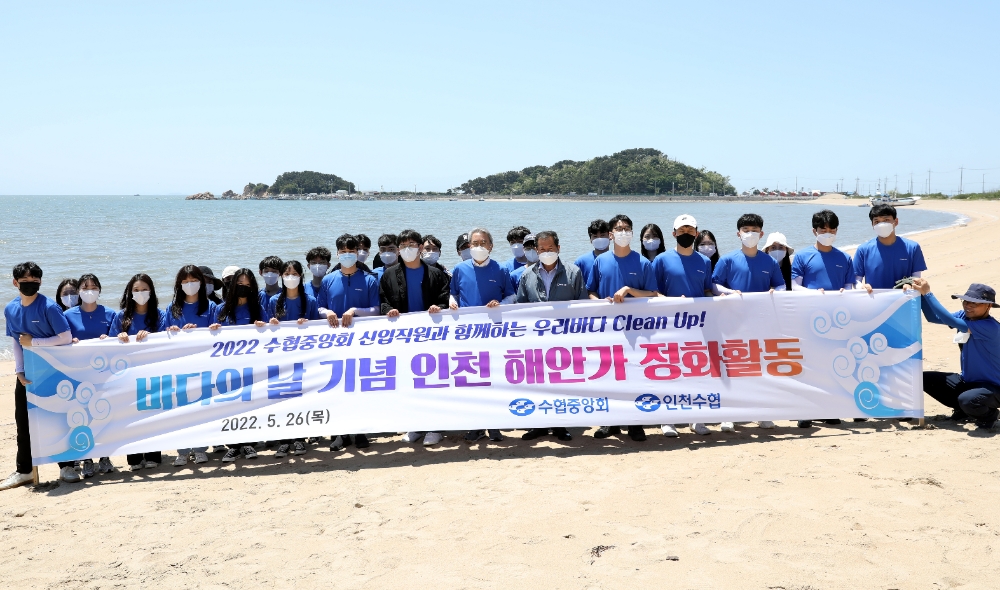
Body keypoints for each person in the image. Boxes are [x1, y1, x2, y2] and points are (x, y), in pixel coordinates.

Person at [1, 262, 74, 490]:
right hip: (27, 373)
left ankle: (67, 466)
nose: (30, 284)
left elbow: (65, 337)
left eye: (35, 281)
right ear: (15, 283)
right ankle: (24, 471)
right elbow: (16, 341)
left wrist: (35, 342)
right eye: (25, 281)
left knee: (58, 419)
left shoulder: (49, 307)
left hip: (53, 371)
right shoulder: (10, 309)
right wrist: (19, 370)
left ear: (40, 282)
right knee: (23, 423)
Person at [711, 213, 785, 432]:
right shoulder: (727, 260)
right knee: (732, 368)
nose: (750, 234)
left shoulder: (769, 261)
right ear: (738, 233)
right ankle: (729, 415)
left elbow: (781, 285)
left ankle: (761, 413)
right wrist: (729, 292)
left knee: (759, 369)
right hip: (732, 323)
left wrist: (775, 292)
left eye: (754, 230)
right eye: (746, 230)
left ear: (761, 234)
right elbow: (714, 285)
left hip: (760, 323)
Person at [588, 214, 658, 442]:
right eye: (619, 229)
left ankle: (636, 423)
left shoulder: (643, 262)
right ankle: (611, 422)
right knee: (609, 372)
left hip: (636, 329)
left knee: (635, 372)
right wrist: (600, 302)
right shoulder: (600, 261)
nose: (623, 232)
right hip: (608, 328)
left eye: (627, 228)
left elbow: (653, 293)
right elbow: (591, 291)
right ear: (611, 234)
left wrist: (629, 290)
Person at [380, 229, 451, 447]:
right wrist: (389, 311)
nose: (407, 249)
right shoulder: (389, 275)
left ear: (420, 248)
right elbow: (383, 301)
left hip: (432, 336)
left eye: (411, 245)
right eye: (403, 246)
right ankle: (415, 425)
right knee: (409, 381)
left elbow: (445, 299)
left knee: (432, 381)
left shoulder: (436, 274)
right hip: (404, 338)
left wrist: (438, 307)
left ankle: (434, 427)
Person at [516, 230, 587, 442]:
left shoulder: (573, 272)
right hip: (536, 340)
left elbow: (582, 305)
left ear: (558, 248)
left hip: (564, 340)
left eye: (550, 248)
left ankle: (559, 425)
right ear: (536, 251)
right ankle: (539, 425)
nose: (546, 252)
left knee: (560, 382)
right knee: (537, 382)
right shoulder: (527, 275)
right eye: (542, 249)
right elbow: (520, 308)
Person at [449, 227, 515, 442]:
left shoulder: (501, 269)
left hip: (494, 332)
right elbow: (453, 293)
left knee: (494, 379)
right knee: (472, 380)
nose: (479, 247)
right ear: (469, 246)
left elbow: (511, 296)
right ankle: (476, 426)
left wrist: (500, 303)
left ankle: (494, 425)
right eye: (475, 243)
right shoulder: (459, 269)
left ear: (491, 246)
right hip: (468, 333)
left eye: (483, 243)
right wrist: (452, 303)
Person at [790, 210, 855, 428]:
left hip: (836, 320)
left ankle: (830, 409)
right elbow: (795, 286)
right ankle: (806, 410)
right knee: (808, 365)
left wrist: (844, 293)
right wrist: (813, 294)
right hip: (808, 317)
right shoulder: (802, 256)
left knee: (832, 364)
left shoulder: (844, 258)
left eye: (831, 229)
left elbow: (849, 286)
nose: (828, 233)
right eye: (823, 229)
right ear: (814, 231)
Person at [651, 214, 714, 438]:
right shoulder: (661, 260)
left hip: (697, 326)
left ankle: (697, 419)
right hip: (669, 325)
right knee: (669, 370)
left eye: (689, 231)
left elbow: (707, 290)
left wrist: (724, 300)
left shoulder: (704, 262)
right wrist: (670, 302)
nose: (685, 234)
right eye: (681, 231)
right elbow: (653, 291)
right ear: (674, 233)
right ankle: (667, 420)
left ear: (696, 233)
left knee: (696, 371)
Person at [317, 234, 381, 451]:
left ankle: (360, 430)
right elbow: (319, 307)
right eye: (343, 252)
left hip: (361, 342)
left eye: (351, 252)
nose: (347, 255)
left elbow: (376, 310)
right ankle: (339, 433)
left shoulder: (369, 280)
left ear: (357, 253)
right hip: (335, 342)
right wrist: (327, 312)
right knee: (336, 386)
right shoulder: (328, 280)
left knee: (359, 385)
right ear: (337, 254)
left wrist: (355, 311)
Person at [916, 279, 1000, 429]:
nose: (968, 305)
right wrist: (920, 296)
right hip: (968, 382)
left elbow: (949, 319)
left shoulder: (990, 327)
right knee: (922, 379)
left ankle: (989, 416)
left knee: (968, 400)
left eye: (974, 303)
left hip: (993, 387)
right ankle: (965, 410)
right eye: (966, 301)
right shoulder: (964, 316)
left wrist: (928, 293)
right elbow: (934, 317)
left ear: (988, 306)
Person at [110, 273, 170, 471]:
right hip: (128, 374)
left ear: (151, 291)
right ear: (130, 292)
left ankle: (153, 454)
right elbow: (109, 343)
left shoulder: (160, 315)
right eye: (136, 290)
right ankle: (134, 457)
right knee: (131, 414)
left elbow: (166, 340)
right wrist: (119, 337)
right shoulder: (121, 316)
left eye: (144, 289)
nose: (140, 293)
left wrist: (151, 337)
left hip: (152, 372)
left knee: (152, 412)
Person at [208, 268, 268, 463]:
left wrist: (265, 327)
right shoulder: (220, 309)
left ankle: (249, 443)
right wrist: (213, 330)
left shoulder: (258, 309)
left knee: (249, 404)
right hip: (227, 367)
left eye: (247, 285)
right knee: (228, 405)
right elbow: (210, 339)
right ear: (233, 285)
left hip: (251, 366)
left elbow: (269, 336)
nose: (243, 288)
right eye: (240, 284)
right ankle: (233, 446)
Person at [63, 273, 117, 477]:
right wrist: (70, 342)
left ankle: (104, 457)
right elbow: (61, 340)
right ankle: (87, 459)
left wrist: (109, 339)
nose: (90, 291)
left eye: (94, 287)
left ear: (100, 290)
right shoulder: (68, 315)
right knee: (83, 416)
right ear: (78, 291)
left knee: (104, 414)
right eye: (85, 288)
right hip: (79, 374)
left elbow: (118, 341)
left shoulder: (110, 313)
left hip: (104, 374)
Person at [166, 265, 219, 467]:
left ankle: (200, 449)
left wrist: (212, 329)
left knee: (202, 407)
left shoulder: (211, 307)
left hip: (203, 366)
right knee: (180, 408)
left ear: (201, 283)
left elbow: (218, 334)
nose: (190, 284)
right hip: (180, 367)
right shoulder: (172, 308)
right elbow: (162, 336)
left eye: (194, 280)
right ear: (179, 284)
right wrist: (173, 331)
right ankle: (182, 450)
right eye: (185, 281)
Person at [267, 260, 320, 458]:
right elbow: (265, 328)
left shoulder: (310, 301)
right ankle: (284, 440)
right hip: (281, 357)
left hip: (303, 358)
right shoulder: (274, 301)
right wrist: (271, 323)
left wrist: (307, 324)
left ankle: (299, 438)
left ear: (301, 276)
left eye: (295, 274)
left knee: (301, 396)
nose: (291, 277)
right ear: (281, 277)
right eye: (287, 274)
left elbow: (318, 330)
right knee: (282, 397)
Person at [853, 204, 927, 291]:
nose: (881, 225)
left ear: (896, 222)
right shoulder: (863, 249)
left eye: (886, 220)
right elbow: (856, 279)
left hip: (904, 297)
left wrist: (910, 284)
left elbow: (916, 277)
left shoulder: (912, 247)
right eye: (877, 221)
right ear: (872, 224)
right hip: (873, 298)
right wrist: (861, 287)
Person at [574, 219, 611, 287]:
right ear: (590, 240)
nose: (599, 239)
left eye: (602, 235)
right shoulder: (581, 262)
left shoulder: (618, 259)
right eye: (595, 236)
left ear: (610, 236)